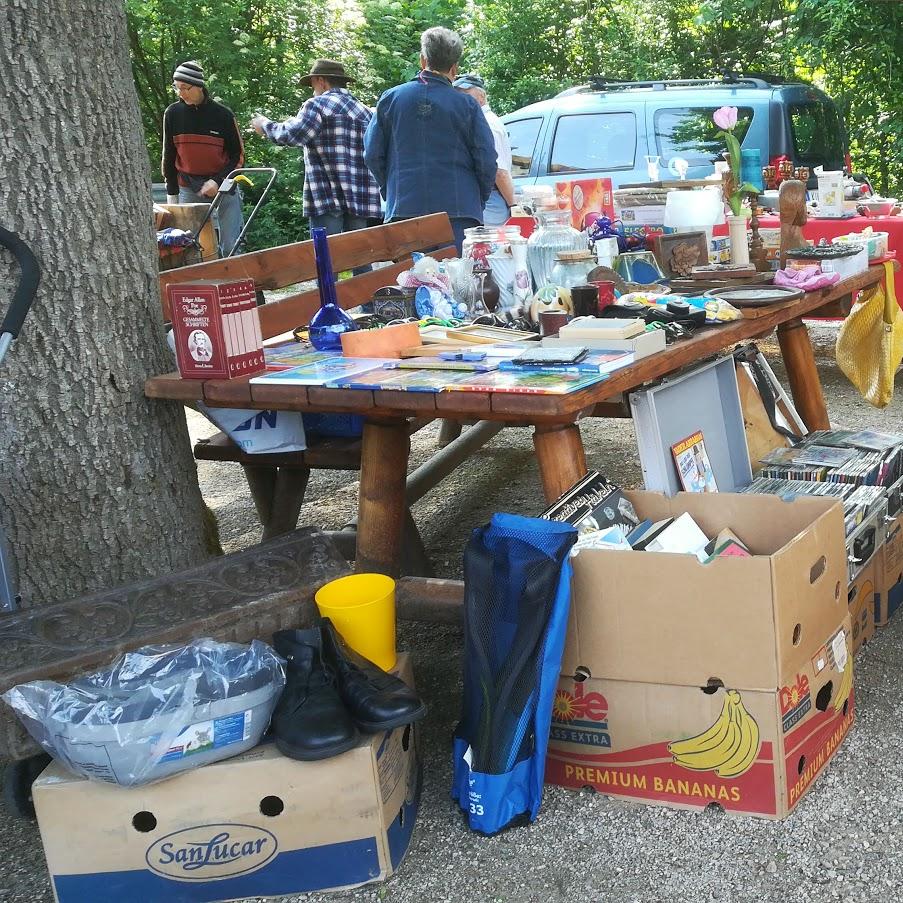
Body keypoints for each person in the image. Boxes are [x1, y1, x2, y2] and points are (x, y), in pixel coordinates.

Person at [363, 27, 497, 253]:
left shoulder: (391, 100)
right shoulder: (467, 105)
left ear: (422, 60)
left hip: (404, 209)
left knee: (410, 275)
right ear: (454, 68)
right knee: (459, 274)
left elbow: (372, 155)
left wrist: (391, 189)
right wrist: (477, 198)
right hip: (459, 212)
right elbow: (486, 159)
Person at [249, 59, 382, 240]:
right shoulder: (366, 113)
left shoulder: (317, 105)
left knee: (324, 252)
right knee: (358, 253)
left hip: (327, 194)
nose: (312, 89)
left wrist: (265, 125)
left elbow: (295, 134)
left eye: (312, 84)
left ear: (321, 81)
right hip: (361, 197)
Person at [162, 61, 245, 257]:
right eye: (177, 87)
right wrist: (172, 193)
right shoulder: (172, 113)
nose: (181, 93)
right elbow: (169, 155)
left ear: (199, 86)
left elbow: (238, 155)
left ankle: (234, 271)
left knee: (230, 245)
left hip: (224, 185)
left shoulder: (223, 115)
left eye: (185, 87)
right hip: (187, 186)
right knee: (188, 245)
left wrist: (217, 181)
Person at [452, 73, 515, 226]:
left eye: (466, 93)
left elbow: (499, 171)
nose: (461, 98)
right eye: (458, 94)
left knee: (491, 241)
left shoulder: (487, 123)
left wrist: (513, 205)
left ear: (481, 96)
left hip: (492, 200)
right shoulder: (485, 120)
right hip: (492, 198)